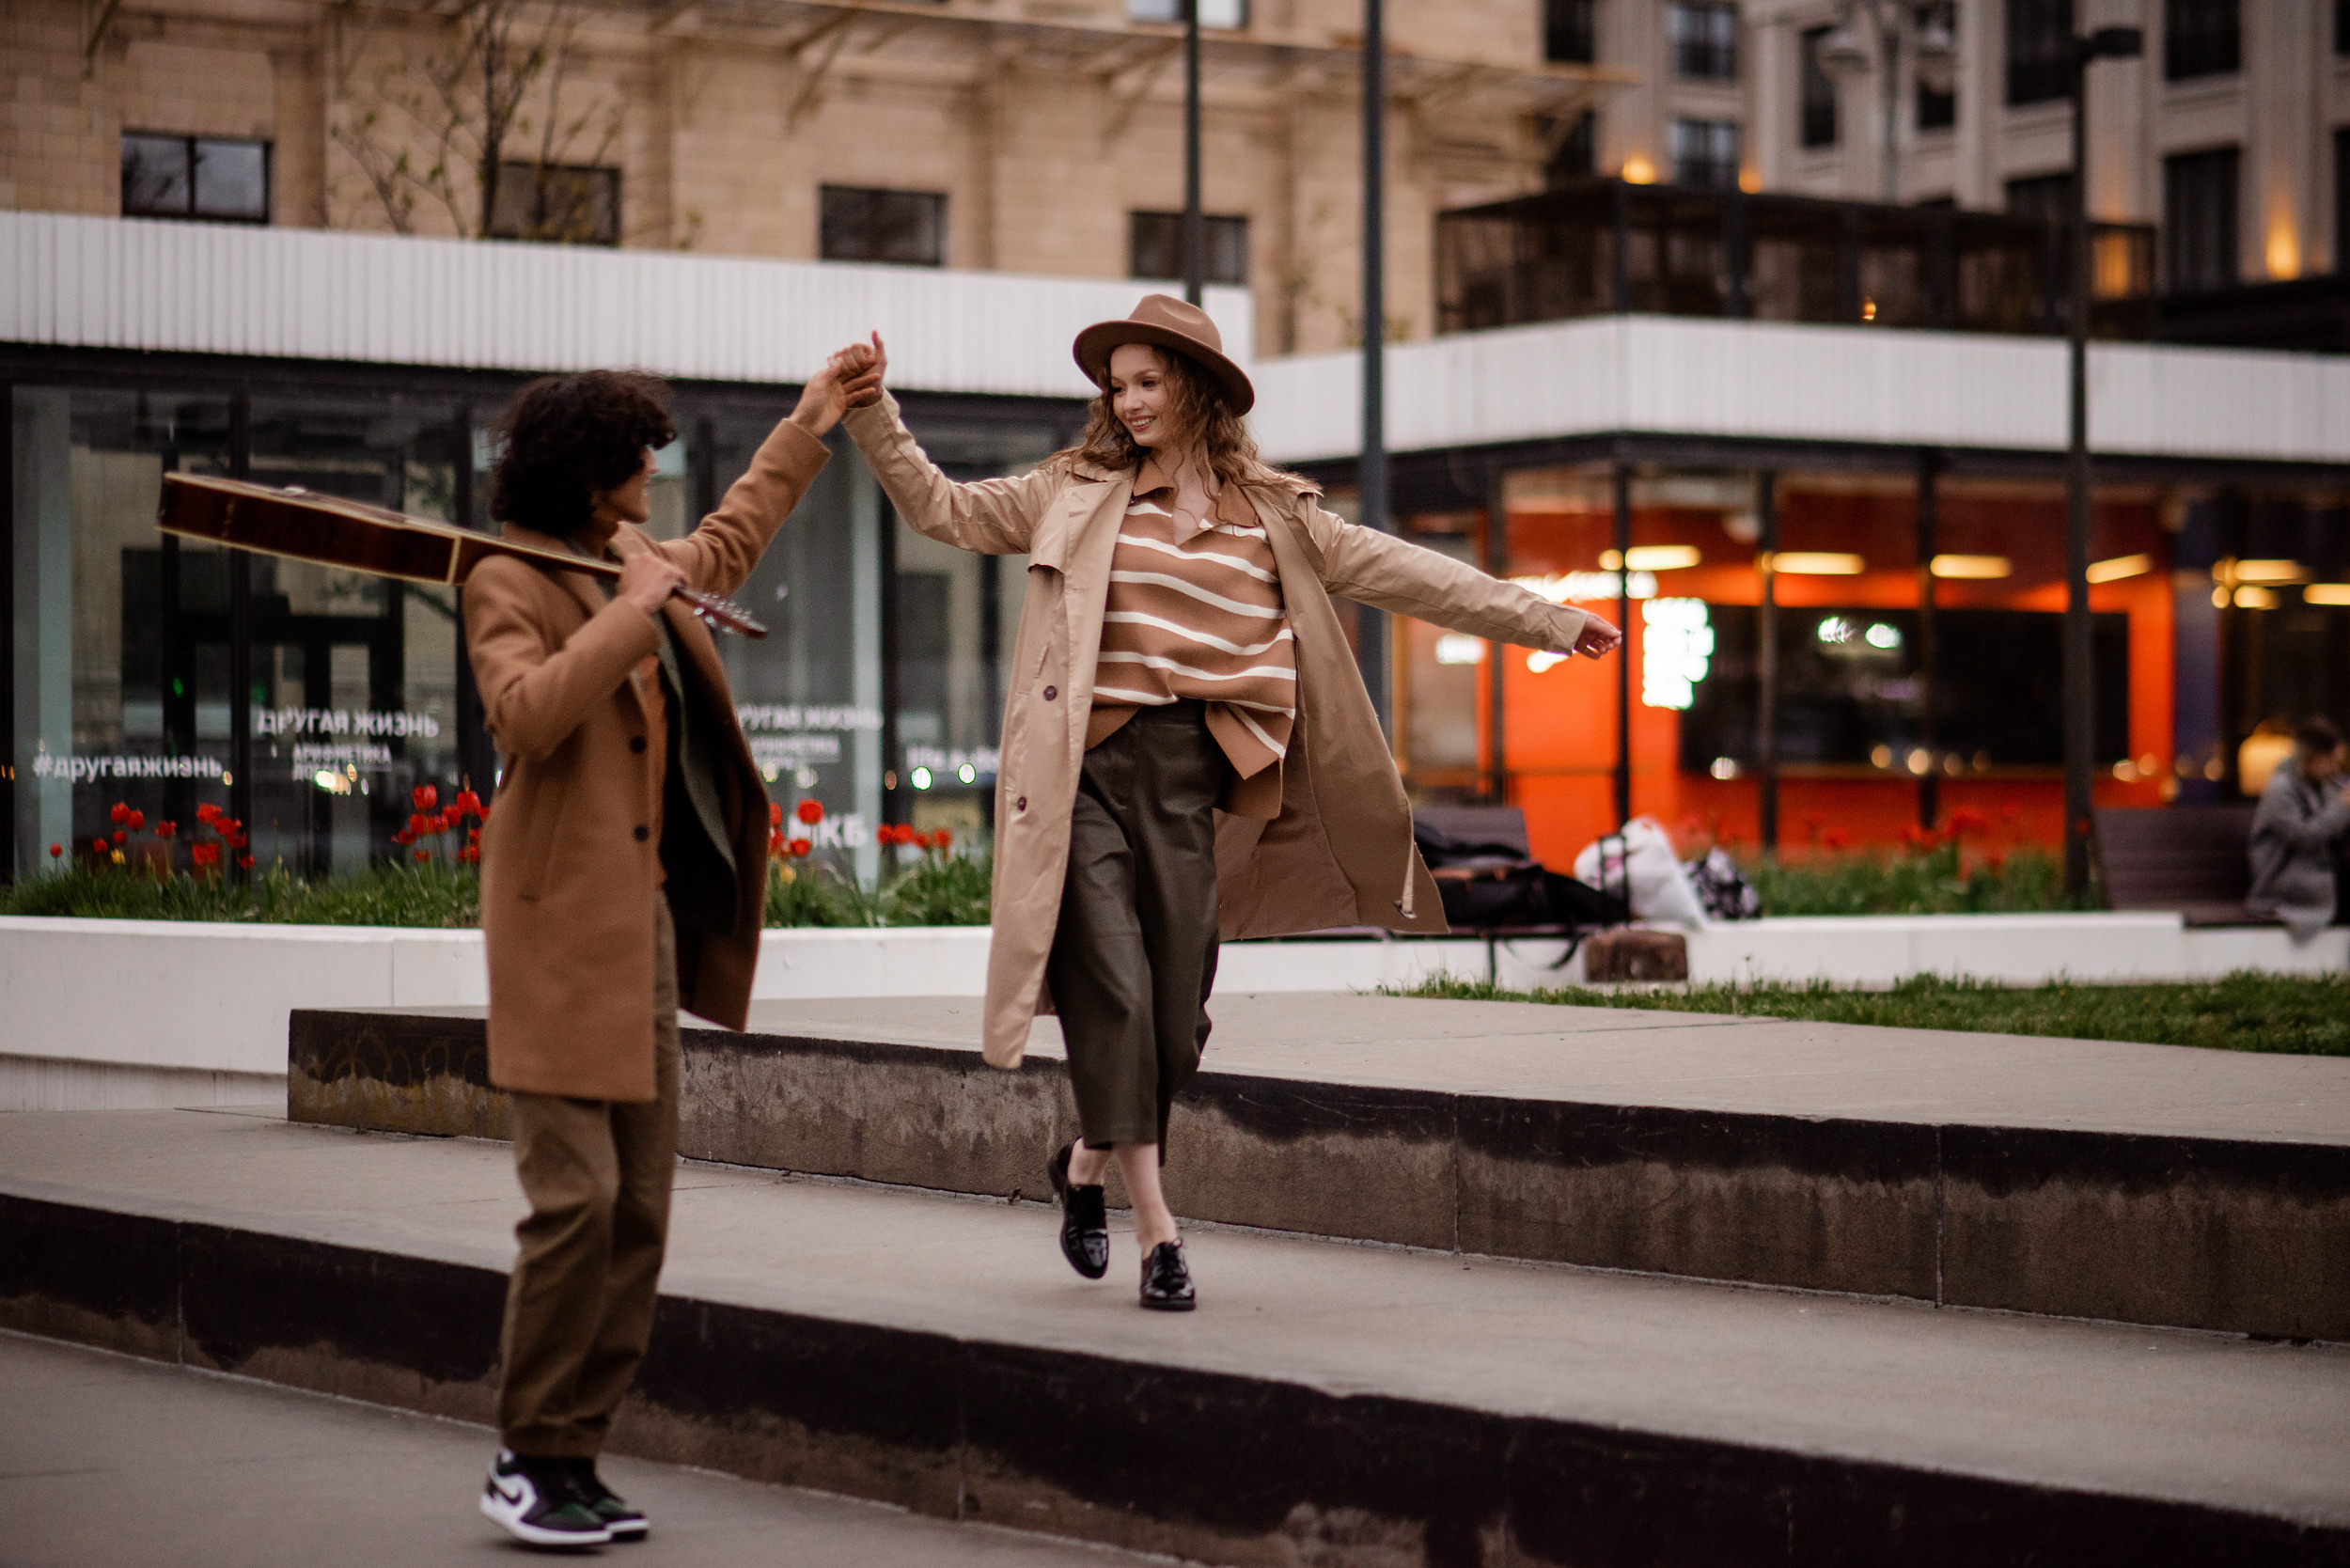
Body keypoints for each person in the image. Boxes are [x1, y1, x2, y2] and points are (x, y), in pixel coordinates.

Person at [826, 296, 1621, 1310]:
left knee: (1175, 1020)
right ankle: (1159, 1232)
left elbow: (1410, 573)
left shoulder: (1277, 515)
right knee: (1112, 991)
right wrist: (872, 413)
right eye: (1118, 386)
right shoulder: (1071, 491)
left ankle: (1080, 1166)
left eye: (1149, 381)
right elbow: (940, 507)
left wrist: (1549, 619)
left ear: (1198, 389)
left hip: (1197, 792)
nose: (1129, 401)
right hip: (1084, 783)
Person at [462, 357, 872, 1548]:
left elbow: (734, 537)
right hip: (553, 933)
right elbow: (525, 715)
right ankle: (524, 1450)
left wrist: (809, 424)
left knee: (640, 1206)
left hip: (636, 928)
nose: (657, 468)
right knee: (576, 1199)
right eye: (640, 454)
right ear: (592, 474)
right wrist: (633, 610)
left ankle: (573, 1454)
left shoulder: (630, 562)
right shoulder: (513, 578)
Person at [2248, 714, 2350, 943]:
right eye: (2331, 761)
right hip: (2285, 885)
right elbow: (2303, 838)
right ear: (2311, 758)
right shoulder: (2281, 790)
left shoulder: (2323, 786)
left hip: (2322, 877)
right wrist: (2342, 809)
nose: (2337, 770)